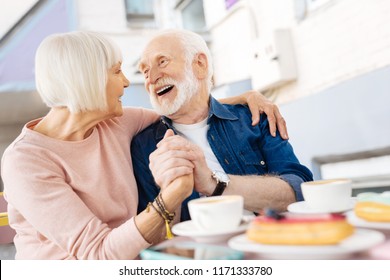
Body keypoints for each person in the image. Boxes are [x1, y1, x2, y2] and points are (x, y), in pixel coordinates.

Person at [0, 31, 285, 259]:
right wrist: (171, 197)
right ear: (85, 78)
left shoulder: (116, 122)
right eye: (116, 72)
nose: (127, 82)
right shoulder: (25, 161)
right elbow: (98, 254)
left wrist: (245, 98)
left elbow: (186, 106)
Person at [132, 29, 313, 221]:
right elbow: (155, 238)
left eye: (162, 62)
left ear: (200, 65)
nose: (151, 79)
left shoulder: (253, 117)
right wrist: (170, 193)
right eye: (144, 71)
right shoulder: (143, 146)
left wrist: (213, 182)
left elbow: (299, 191)